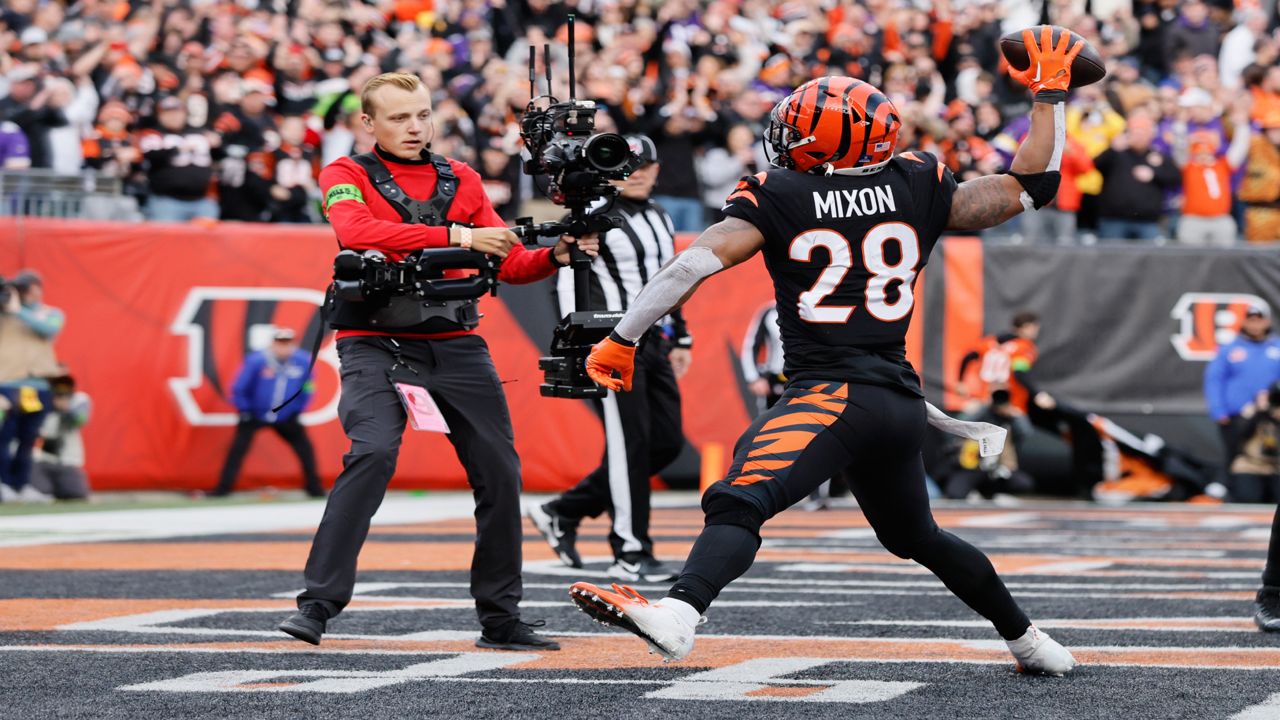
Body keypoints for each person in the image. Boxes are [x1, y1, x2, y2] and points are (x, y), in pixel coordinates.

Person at [568, 27, 1084, 676]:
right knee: (915, 537)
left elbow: (690, 266)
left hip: (832, 394)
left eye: (797, 130)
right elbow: (1030, 184)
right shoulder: (917, 180)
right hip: (898, 404)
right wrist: (1049, 96)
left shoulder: (780, 195)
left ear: (824, 147)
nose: (784, 139)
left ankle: (679, 614)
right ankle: (1032, 642)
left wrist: (622, 336)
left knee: (739, 498)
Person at [277, 72, 597, 653]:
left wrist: (556, 253)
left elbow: (510, 262)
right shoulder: (345, 174)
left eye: (422, 114)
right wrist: (458, 235)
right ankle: (317, 605)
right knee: (372, 452)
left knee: (500, 473)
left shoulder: (464, 178)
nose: (415, 127)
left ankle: (501, 619)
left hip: (455, 344)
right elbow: (354, 231)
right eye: (399, 117)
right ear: (368, 123)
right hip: (372, 342)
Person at [527, 135, 691, 583]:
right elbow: (568, 278)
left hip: (655, 340)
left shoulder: (658, 215)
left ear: (658, 169)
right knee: (630, 445)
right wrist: (582, 341)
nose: (636, 172)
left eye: (646, 164)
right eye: (628, 164)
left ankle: (564, 510)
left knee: (666, 444)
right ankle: (631, 550)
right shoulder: (595, 215)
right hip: (612, 342)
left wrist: (682, 338)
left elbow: (669, 281)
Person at [212, 328, 324, 498]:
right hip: (255, 414)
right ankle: (222, 489)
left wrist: (298, 409)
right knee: (237, 451)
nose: (283, 347)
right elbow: (239, 387)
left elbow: (308, 387)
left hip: (286, 416)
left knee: (305, 450)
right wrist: (245, 409)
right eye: (280, 343)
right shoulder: (257, 361)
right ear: (272, 344)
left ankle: (314, 488)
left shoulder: (302, 361)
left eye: (287, 343)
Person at [0, 270, 64, 504]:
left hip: (38, 385)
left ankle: (22, 483)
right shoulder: (5, 314)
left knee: (28, 438)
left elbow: (49, 329)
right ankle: (4, 483)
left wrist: (19, 311)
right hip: (9, 384)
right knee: (4, 436)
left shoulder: (51, 313)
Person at [1205, 304, 1280, 482]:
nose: (1255, 325)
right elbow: (1214, 379)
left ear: (1267, 321)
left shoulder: (1276, 347)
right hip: (1238, 416)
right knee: (1235, 455)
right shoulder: (1230, 349)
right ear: (1244, 322)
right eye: (1250, 320)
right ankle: (1229, 491)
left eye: (1259, 320)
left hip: (1271, 416)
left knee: (1271, 456)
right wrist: (1218, 410)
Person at [29, 373, 92, 501]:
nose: (62, 394)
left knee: (76, 494)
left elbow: (79, 419)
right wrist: (48, 406)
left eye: (65, 390)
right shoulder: (39, 401)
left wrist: (65, 410)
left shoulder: (78, 400)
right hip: (40, 460)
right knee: (41, 493)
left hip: (67, 460)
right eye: (58, 390)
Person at [1227, 382, 1280, 503]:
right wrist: (1260, 411)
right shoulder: (1252, 412)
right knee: (1249, 498)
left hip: (1275, 467)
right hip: (1250, 465)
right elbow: (1238, 435)